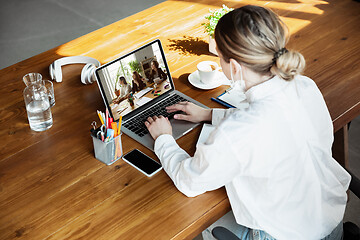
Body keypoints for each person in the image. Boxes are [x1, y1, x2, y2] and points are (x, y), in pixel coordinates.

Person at [144, 5, 351, 240]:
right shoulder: (304, 86)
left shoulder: (238, 132)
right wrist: (209, 114)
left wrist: (163, 139)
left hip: (284, 234)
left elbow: (190, 181)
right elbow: (272, 125)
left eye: (219, 57)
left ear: (233, 67)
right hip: (330, 223)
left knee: (196, 222)